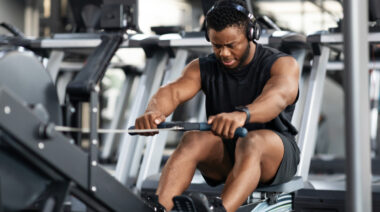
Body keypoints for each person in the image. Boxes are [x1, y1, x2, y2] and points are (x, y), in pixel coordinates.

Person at [135, 0, 300, 211]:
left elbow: (276, 98)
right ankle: (160, 208)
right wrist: (153, 113)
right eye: (216, 45)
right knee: (192, 139)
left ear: (250, 35)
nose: (223, 53)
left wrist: (243, 115)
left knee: (252, 141)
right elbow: (172, 92)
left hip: (273, 154)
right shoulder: (203, 67)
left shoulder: (282, 64)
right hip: (229, 153)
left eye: (231, 45)